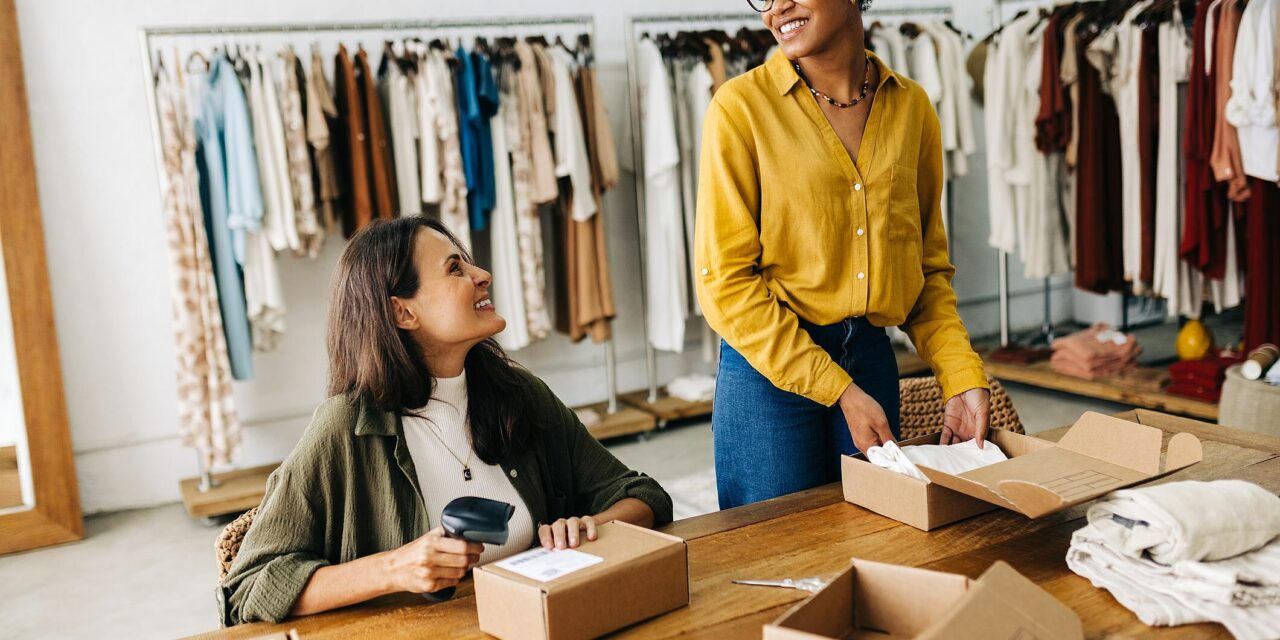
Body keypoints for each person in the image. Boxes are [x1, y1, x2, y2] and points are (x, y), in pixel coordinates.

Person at [218, 217, 672, 625]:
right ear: (403, 312)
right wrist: (396, 567)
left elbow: (641, 494)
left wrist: (591, 528)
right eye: (455, 269)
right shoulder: (345, 428)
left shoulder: (518, 396)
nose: (482, 276)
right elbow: (247, 586)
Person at [695, 0, 991, 509]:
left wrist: (960, 373)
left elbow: (925, 270)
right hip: (769, 375)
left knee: (874, 543)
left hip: (872, 360)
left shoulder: (912, 108)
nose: (777, 7)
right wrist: (839, 391)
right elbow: (725, 282)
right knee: (777, 560)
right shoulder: (740, 108)